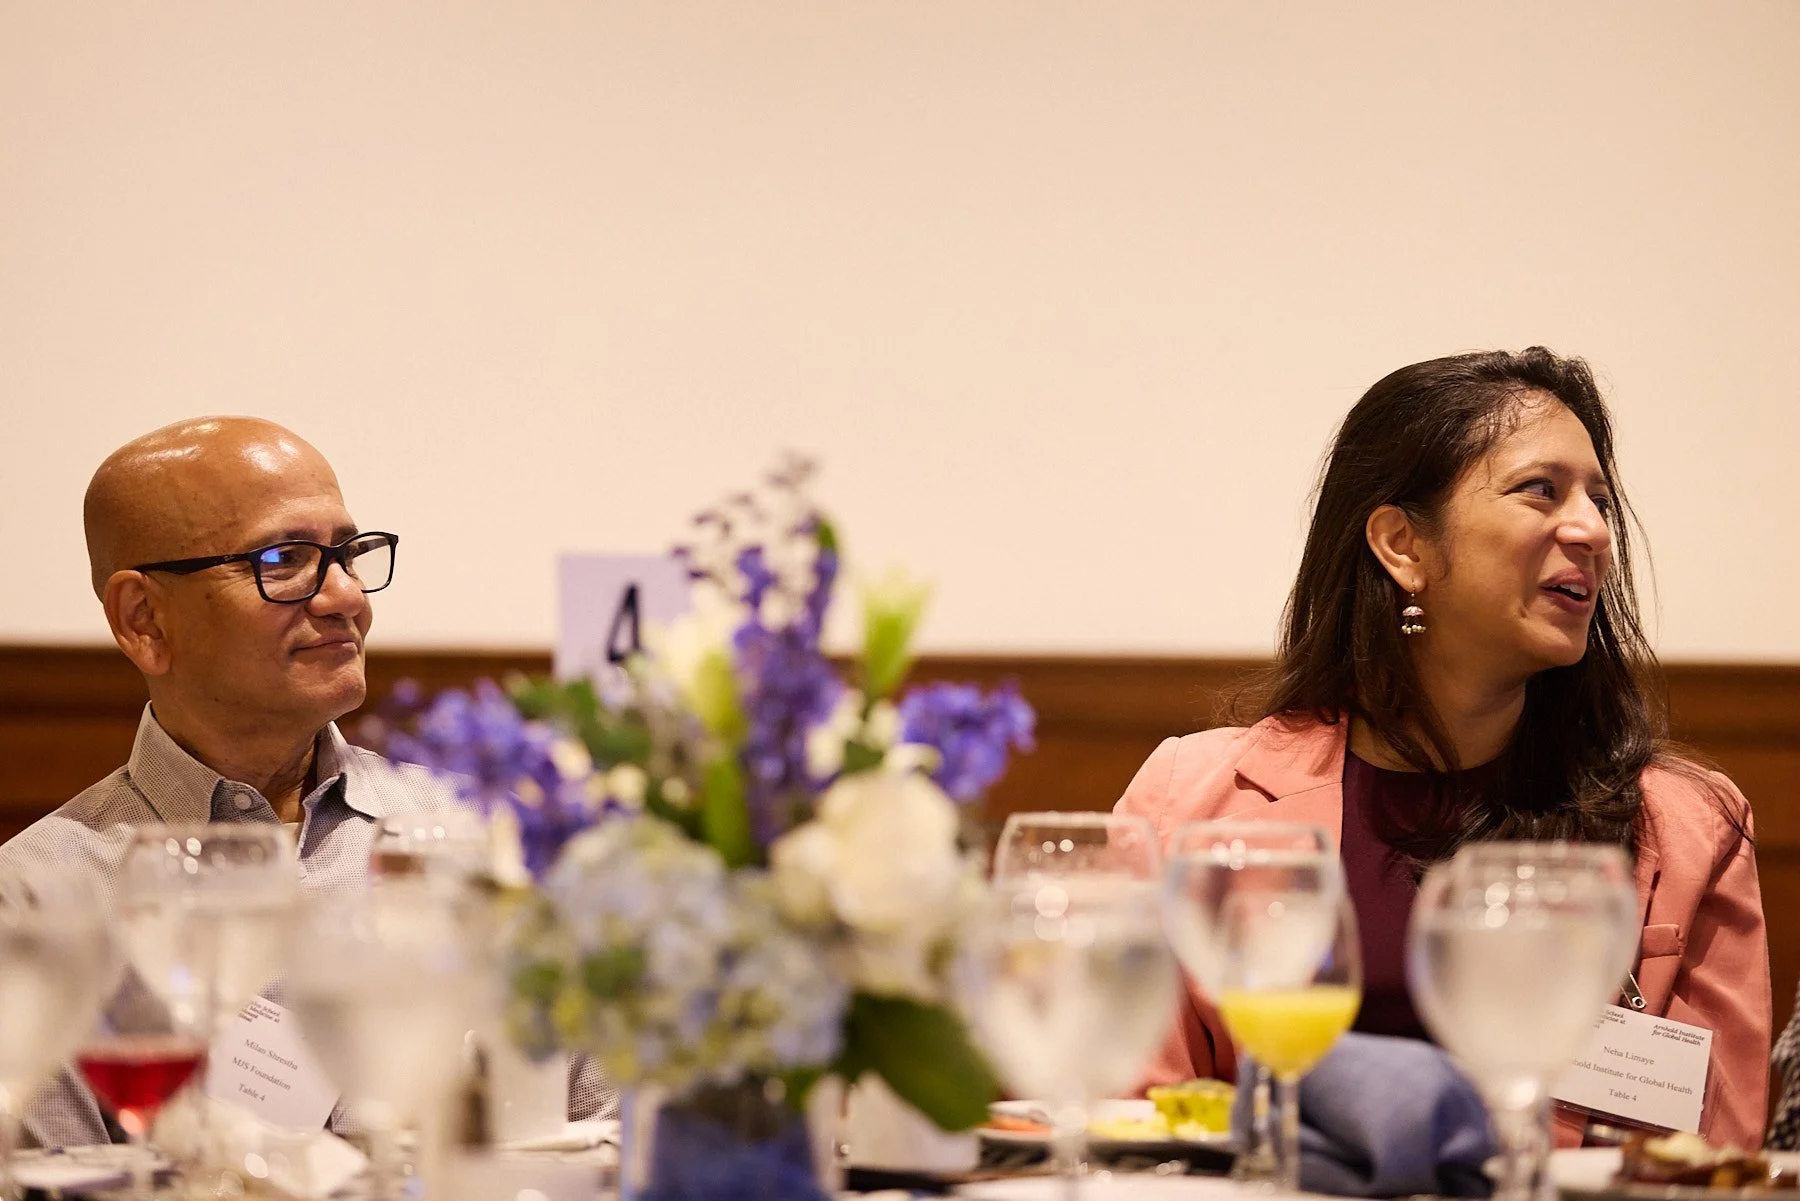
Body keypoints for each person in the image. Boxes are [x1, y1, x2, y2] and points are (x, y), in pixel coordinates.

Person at [1118, 348, 1770, 1148]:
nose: (1594, 530)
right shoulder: (1190, 798)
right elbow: (1134, 1117)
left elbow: (1711, 1161)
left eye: (1600, 499)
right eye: (1541, 490)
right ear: (1403, 545)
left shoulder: (1688, 825)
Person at [1, 417, 613, 1145]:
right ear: (144, 620)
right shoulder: (38, 899)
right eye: (286, 558)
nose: (346, 595)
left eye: (350, 554)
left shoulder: (485, 839)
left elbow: (607, 1134)